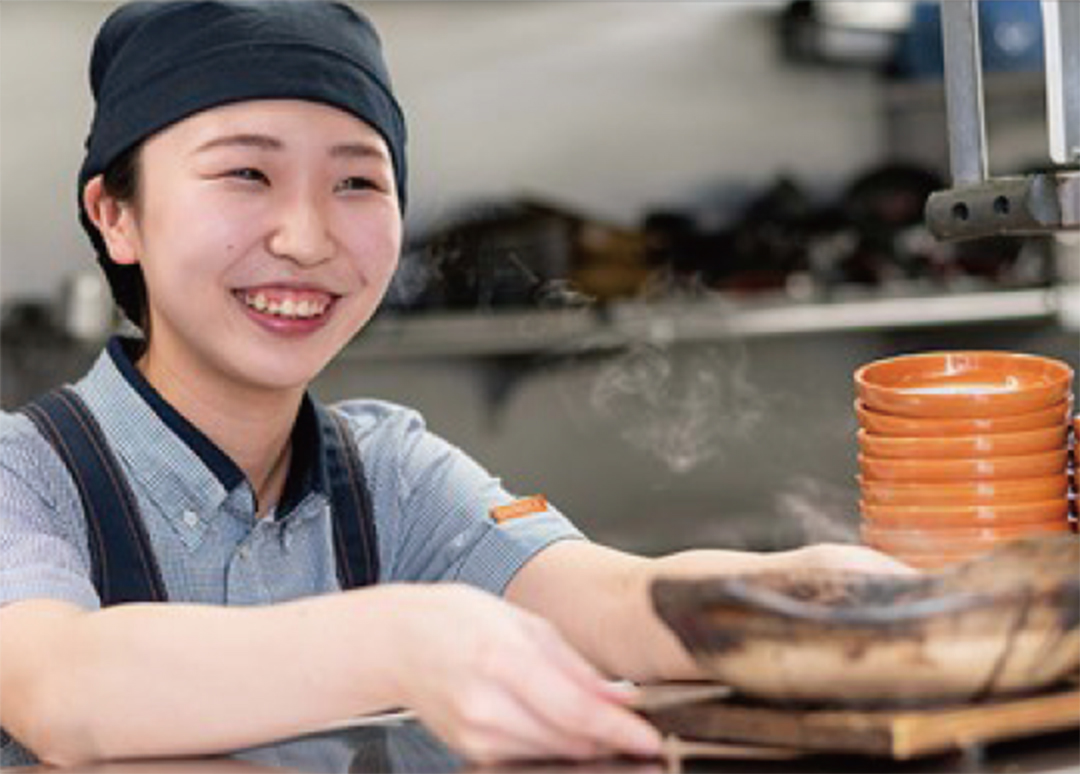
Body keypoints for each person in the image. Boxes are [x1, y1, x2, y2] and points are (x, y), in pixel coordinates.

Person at [0, 1, 911, 768]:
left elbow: (617, 602)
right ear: (115, 215)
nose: (309, 238)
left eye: (358, 180)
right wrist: (402, 639)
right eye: (247, 173)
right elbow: (61, 685)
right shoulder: (24, 478)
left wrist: (823, 594)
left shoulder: (389, 476)